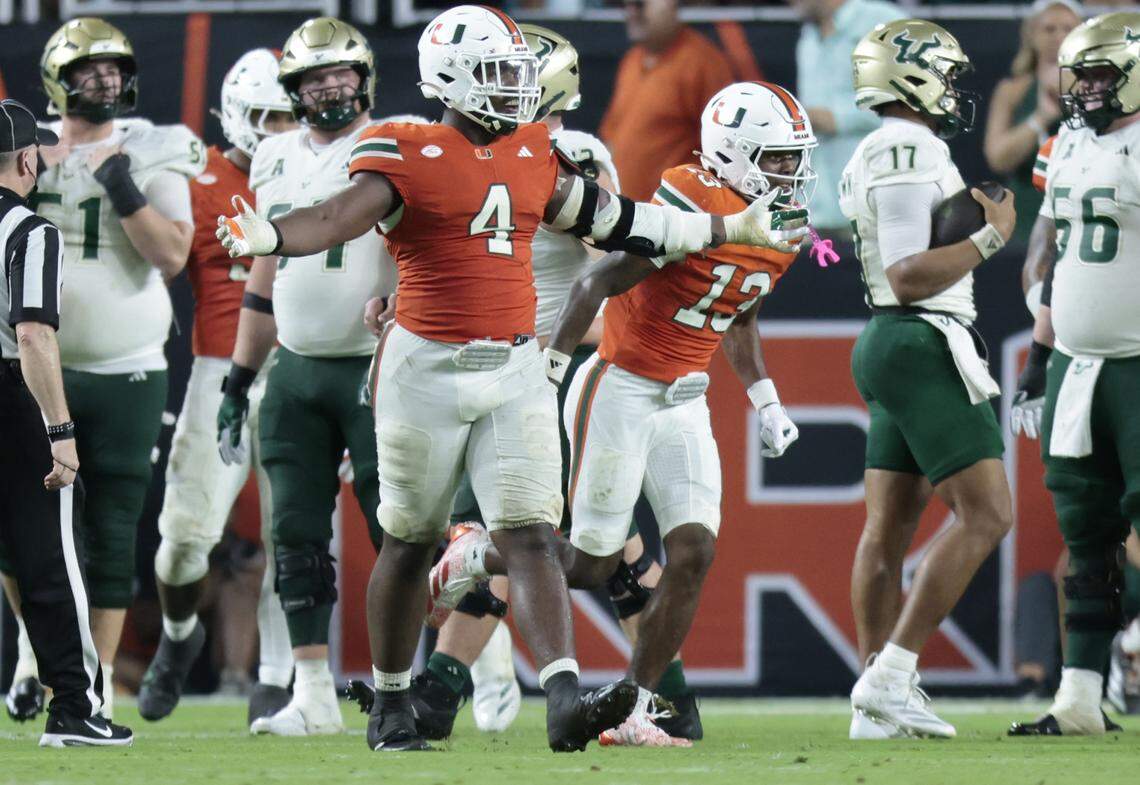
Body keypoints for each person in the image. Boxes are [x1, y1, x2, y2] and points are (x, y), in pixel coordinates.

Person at [216, 4, 806, 753]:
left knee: (530, 535)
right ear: (451, 78)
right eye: (496, 71)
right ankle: (394, 701)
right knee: (408, 541)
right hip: (424, 369)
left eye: (515, 71)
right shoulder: (406, 146)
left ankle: (562, 695)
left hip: (519, 363)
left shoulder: (535, 150)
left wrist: (727, 230)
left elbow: (620, 221)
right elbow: (334, 218)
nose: (514, 86)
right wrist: (271, 233)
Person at [428, 79, 813, 746]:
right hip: (621, 385)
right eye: (778, 157)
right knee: (589, 564)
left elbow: (739, 313)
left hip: (685, 397)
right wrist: (547, 373)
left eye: (794, 157)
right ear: (737, 152)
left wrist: (765, 398)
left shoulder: (781, 226)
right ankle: (477, 554)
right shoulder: (692, 196)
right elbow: (594, 281)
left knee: (693, 551)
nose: (792, 171)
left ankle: (635, 704)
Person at [403, 23, 696, 744]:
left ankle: (443, 690)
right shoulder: (484, 149)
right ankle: (662, 698)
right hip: (505, 361)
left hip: (550, 367)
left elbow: (611, 248)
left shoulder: (573, 152)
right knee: (589, 543)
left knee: (552, 538)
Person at [216, 17, 405, 738]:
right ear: (293, 89)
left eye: (340, 73)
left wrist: (406, 307)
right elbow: (263, 276)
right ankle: (315, 690)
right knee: (293, 533)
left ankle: (406, 682)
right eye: (314, 78)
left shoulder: (398, 139)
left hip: (376, 366)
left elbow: (426, 245)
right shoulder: (271, 156)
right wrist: (239, 377)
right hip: (294, 368)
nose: (330, 87)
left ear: (363, 77)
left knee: (400, 532)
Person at [838, 19, 1017, 739]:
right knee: (988, 513)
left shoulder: (871, 150)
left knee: (889, 526)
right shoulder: (910, 146)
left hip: (887, 339)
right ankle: (890, 676)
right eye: (941, 74)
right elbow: (910, 274)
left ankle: (873, 697)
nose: (950, 89)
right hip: (920, 338)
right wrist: (990, 238)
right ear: (911, 75)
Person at [31, 17, 204, 720]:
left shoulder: (153, 146)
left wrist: (120, 181)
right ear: (57, 79)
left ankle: (95, 678)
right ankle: (33, 666)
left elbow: (170, 255)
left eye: (113, 67)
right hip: (34, 366)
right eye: (88, 69)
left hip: (129, 367)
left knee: (111, 529)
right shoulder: (25, 146)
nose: (103, 79)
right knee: (25, 528)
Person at [136, 48, 297, 728]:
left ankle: (276, 677)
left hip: (300, 367)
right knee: (183, 540)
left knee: (296, 534)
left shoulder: (322, 164)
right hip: (216, 369)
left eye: (287, 115)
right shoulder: (196, 174)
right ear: (235, 113)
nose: (277, 130)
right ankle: (178, 638)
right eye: (264, 116)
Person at [1008, 11, 1140, 736]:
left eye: (1100, 75)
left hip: (1138, 363)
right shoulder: (1066, 144)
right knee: (1085, 534)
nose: (1086, 88)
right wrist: (1038, 355)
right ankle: (1080, 698)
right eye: (1079, 75)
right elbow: (1060, 258)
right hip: (1079, 367)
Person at [0, 97, 132, 747]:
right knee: (52, 558)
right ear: (27, 159)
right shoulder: (30, 230)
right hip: (11, 399)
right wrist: (60, 429)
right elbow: (32, 335)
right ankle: (75, 707)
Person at [599, 0, 734, 201]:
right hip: (624, 217)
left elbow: (727, 152)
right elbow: (611, 140)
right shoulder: (632, 59)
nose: (631, 12)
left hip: (673, 221)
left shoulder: (703, 62)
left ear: (672, 4)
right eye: (627, 5)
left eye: (639, 5)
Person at [790, 0, 905, 234]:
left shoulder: (883, 22)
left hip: (877, 210)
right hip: (819, 212)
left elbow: (908, 102)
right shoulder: (808, 35)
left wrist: (831, 118)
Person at [983, 0, 1082, 246]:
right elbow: (997, 157)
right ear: (1032, 34)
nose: (1059, 36)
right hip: (1025, 218)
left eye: (1068, 29)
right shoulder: (1011, 90)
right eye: (1049, 29)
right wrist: (1040, 118)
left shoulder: (1097, 89)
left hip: (1079, 210)